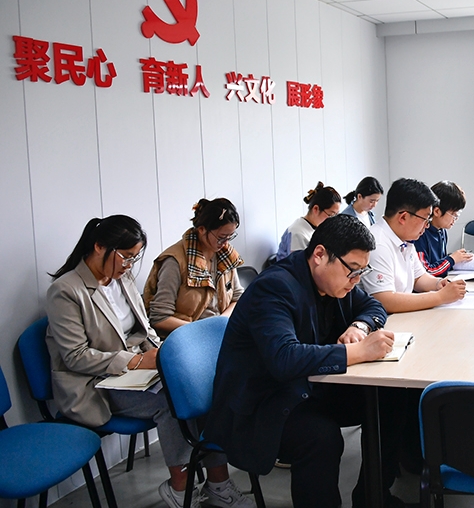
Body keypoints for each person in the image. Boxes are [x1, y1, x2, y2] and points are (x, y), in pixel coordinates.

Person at [45, 216, 253, 508]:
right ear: (99, 246)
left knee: (204, 388)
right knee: (173, 401)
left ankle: (218, 482)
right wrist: (136, 361)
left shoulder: (122, 278)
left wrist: (161, 355)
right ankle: (181, 487)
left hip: (135, 370)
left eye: (134, 257)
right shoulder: (66, 291)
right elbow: (75, 357)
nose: (130, 265)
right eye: (125, 257)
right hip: (94, 384)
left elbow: (145, 330)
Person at [204, 215, 407, 508]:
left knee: (390, 398)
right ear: (320, 254)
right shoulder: (274, 288)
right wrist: (358, 352)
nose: (356, 280)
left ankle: (373, 498)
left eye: (362, 271)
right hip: (263, 404)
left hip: (308, 387)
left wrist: (359, 327)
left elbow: (373, 305)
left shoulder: (336, 282)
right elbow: (284, 359)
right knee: (321, 438)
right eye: (352, 270)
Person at [360, 178, 466, 313]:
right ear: (403, 217)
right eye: (425, 219)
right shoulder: (377, 243)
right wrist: (440, 297)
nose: (427, 226)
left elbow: (419, 277)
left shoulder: (405, 239)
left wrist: (438, 284)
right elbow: (385, 300)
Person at [144, 198, 244, 339]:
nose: (225, 243)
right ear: (202, 229)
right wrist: (204, 331)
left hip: (218, 332)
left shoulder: (224, 254)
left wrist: (222, 322)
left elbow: (238, 298)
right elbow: (160, 318)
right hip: (187, 337)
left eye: (230, 237)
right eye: (221, 237)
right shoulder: (174, 262)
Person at [413, 180, 473, 276]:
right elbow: (426, 272)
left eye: (457, 214)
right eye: (453, 214)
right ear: (437, 211)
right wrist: (452, 259)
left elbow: (440, 262)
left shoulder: (442, 231)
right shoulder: (420, 234)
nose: (456, 218)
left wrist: (457, 259)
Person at [276, 182, 342, 260]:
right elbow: (299, 264)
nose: (333, 219)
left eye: (336, 215)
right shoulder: (298, 233)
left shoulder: (317, 227)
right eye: (331, 215)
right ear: (316, 209)